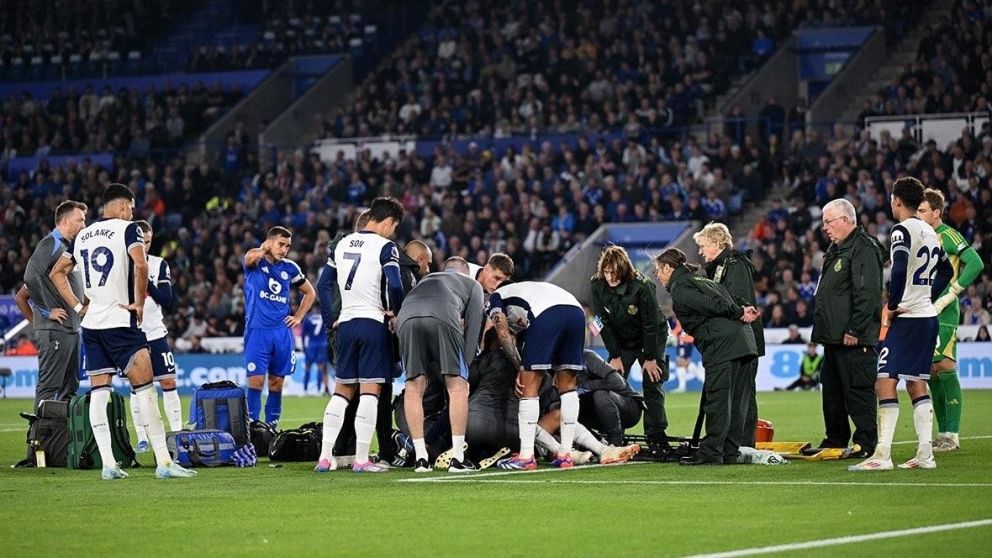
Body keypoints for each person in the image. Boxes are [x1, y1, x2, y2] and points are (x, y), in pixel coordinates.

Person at [49, 183, 194, 479]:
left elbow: (56, 274)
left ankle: (108, 465)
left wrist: (78, 309)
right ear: (124, 205)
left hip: (91, 326)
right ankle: (165, 463)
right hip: (122, 322)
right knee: (144, 390)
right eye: (131, 207)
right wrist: (139, 303)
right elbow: (141, 266)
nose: (132, 212)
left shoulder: (82, 236)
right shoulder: (129, 230)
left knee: (99, 394)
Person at [851, 177, 951, 471]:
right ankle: (925, 453)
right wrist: (926, 296)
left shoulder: (901, 230)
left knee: (884, 380)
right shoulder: (932, 233)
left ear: (896, 200)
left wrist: (893, 305)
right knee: (916, 380)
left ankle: (882, 454)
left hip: (906, 318)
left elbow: (899, 267)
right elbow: (945, 271)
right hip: (927, 315)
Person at [315, 197, 406, 473]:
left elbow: (322, 284)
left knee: (342, 390)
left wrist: (332, 320)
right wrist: (394, 311)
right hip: (372, 322)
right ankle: (362, 460)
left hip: (346, 324)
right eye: (394, 227)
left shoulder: (342, 244)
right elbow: (395, 283)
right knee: (370, 390)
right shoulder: (385, 246)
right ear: (389, 222)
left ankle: (325, 457)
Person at [653, 248, 758, 466]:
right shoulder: (701, 279)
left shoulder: (681, 288)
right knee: (737, 401)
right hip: (744, 341)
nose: (657, 275)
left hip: (722, 344)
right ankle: (729, 451)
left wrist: (738, 311)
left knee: (718, 399)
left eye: (657, 270)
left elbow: (711, 305)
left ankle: (711, 453)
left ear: (668, 267)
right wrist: (742, 308)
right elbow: (727, 295)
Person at [812, 198, 886, 459]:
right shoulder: (837, 248)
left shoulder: (862, 248)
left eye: (828, 221)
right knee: (832, 392)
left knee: (858, 390)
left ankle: (866, 442)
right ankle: (835, 438)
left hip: (853, 337)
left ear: (845, 220)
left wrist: (855, 329)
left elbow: (867, 293)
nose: (824, 227)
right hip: (833, 337)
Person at [397, 257, 485, 473]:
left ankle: (420, 458)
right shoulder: (473, 285)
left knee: (413, 386)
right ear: (466, 272)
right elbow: (473, 331)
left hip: (406, 316)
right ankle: (457, 458)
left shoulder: (426, 279)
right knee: (457, 387)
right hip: (444, 313)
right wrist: (465, 372)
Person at [488, 281, 586, 470]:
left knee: (529, 385)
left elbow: (503, 333)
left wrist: (520, 368)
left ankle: (526, 456)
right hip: (576, 311)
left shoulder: (496, 296)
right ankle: (566, 454)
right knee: (568, 386)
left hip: (546, 314)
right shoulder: (529, 289)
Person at [917, 188, 984, 452]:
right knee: (931, 371)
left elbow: (975, 263)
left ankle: (952, 435)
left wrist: (953, 292)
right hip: (924, 309)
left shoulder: (949, 235)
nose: (918, 215)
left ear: (936, 212)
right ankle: (943, 433)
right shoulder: (924, 236)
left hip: (944, 311)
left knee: (944, 365)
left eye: (923, 211)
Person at [590, 245, 671, 459]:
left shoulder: (642, 286)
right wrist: (614, 355)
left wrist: (651, 357)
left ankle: (656, 436)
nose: (610, 277)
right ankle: (614, 435)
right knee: (612, 381)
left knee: (652, 381)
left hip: (650, 338)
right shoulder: (597, 285)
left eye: (614, 272)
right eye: (606, 272)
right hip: (622, 341)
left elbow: (651, 324)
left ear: (624, 270)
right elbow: (601, 322)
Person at [693, 222, 765, 447]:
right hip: (734, 341)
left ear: (716, 243)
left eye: (703, 245)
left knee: (744, 396)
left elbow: (739, 303)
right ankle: (736, 442)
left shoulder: (735, 264)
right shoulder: (719, 267)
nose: (700, 251)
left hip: (744, 340)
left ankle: (743, 444)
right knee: (738, 395)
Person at [16, 200, 87, 413]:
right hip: (56, 331)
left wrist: (39, 322)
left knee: (70, 388)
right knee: (50, 387)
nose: (84, 225)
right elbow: (29, 278)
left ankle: (61, 438)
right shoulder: (51, 244)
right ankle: (38, 440)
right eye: (80, 220)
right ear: (65, 221)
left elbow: (22, 295)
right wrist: (45, 315)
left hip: (71, 329)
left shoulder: (67, 250)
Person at [243, 226, 316, 427]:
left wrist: (299, 317)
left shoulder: (290, 268)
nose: (284, 250)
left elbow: (310, 293)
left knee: (276, 384)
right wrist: (263, 249)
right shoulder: (255, 260)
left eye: (287, 246)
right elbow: (249, 259)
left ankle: (271, 431)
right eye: (281, 244)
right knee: (256, 382)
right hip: (257, 331)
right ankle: (253, 430)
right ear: (270, 242)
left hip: (282, 333)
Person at [130, 221, 182, 454]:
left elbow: (166, 299)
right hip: (132, 334)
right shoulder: (122, 264)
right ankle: (142, 437)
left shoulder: (159, 264)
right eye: (142, 241)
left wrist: (145, 279)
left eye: (148, 242)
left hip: (156, 332)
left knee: (169, 382)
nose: (145, 245)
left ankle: (178, 433)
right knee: (138, 387)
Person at [577, 350, 644, 448]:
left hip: (629, 406)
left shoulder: (587, 357)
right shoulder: (555, 366)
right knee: (566, 405)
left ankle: (616, 442)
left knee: (600, 395)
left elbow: (618, 383)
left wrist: (583, 385)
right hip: (597, 412)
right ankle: (596, 441)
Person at [302, 306, 329, 395]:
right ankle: (318, 389)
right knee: (320, 367)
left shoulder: (308, 318)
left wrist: (304, 347)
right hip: (322, 344)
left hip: (311, 344)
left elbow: (303, 334)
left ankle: (305, 390)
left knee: (307, 366)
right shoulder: (324, 317)